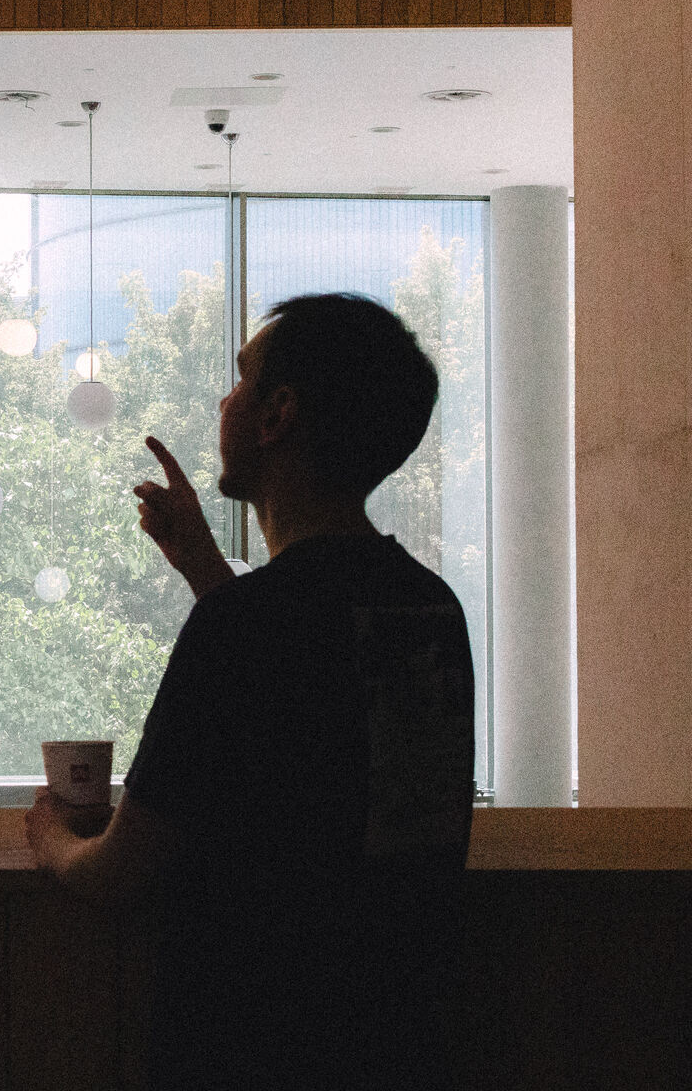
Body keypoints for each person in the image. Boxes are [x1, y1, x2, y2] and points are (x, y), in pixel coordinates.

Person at [25, 293, 475, 1090]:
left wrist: (51, 835)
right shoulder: (432, 608)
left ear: (278, 415)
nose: (223, 401)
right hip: (400, 1041)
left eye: (241, 379)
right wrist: (207, 572)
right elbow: (310, 713)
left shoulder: (243, 627)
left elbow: (119, 872)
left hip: (246, 1047)